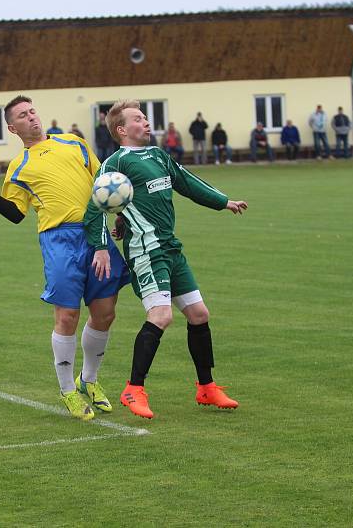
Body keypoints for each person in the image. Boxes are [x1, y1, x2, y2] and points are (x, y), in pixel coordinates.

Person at [0, 95, 130, 421]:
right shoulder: (19, 166)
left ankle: (90, 380)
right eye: (23, 117)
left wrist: (120, 214)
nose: (32, 118)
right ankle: (68, 389)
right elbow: (16, 214)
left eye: (32, 111)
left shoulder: (75, 143)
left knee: (105, 313)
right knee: (67, 316)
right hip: (59, 241)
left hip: (95, 232)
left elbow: (105, 183)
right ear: (13, 128)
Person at [83, 100, 247, 419]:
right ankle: (134, 389)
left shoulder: (158, 155)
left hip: (170, 247)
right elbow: (94, 210)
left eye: (146, 118)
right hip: (146, 249)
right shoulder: (115, 164)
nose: (147, 123)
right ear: (121, 130)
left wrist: (223, 202)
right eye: (138, 119)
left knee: (199, 314)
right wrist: (101, 247)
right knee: (161, 316)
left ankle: (207, 387)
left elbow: (187, 183)